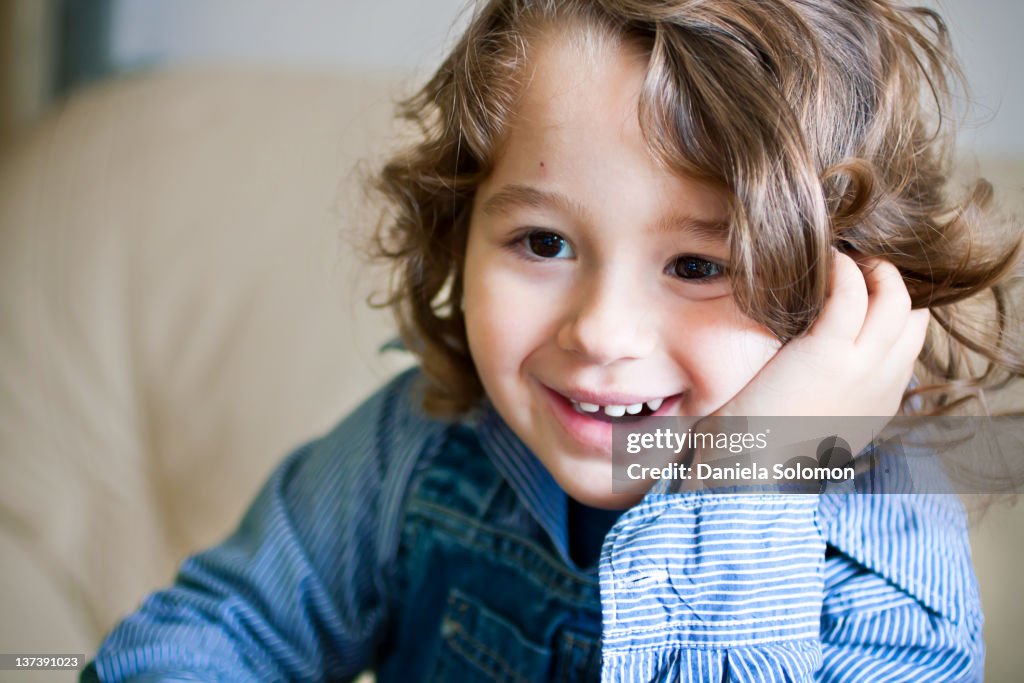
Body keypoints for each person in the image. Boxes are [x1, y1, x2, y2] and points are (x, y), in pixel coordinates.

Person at [84, 0, 1022, 680]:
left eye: (699, 264)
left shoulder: (889, 563)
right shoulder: (417, 445)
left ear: (850, 299)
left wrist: (752, 475)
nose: (601, 332)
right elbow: (222, 628)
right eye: (543, 242)